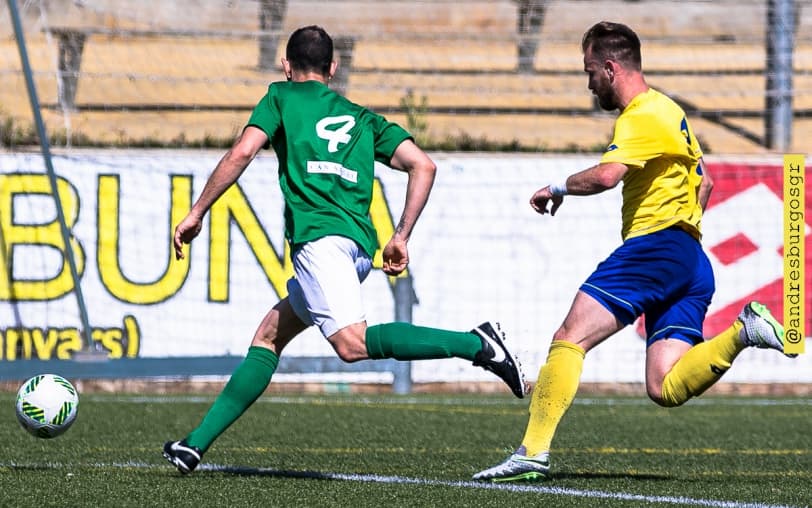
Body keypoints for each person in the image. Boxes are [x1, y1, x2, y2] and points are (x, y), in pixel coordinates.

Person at [162, 25, 528, 474]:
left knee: (352, 345)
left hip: (320, 242)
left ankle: (477, 344)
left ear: (285, 65)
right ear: (333, 69)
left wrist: (197, 211)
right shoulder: (362, 117)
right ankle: (193, 445)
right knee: (269, 336)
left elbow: (242, 153)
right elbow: (423, 166)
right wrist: (401, 235)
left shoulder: (279, 97)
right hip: (355, 246)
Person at [473, 21, 797, 482]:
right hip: (690, 257)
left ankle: (532, 452)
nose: (588, 83)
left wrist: (557, 187)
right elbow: (704, 182)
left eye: (589, 71)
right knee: (664, 386)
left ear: (610, 67)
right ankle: (742, 334)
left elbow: (608, 176)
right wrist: (681, 243)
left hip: (657, 248)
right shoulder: (672, 112)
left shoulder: (642, 114)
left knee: (570, 338)